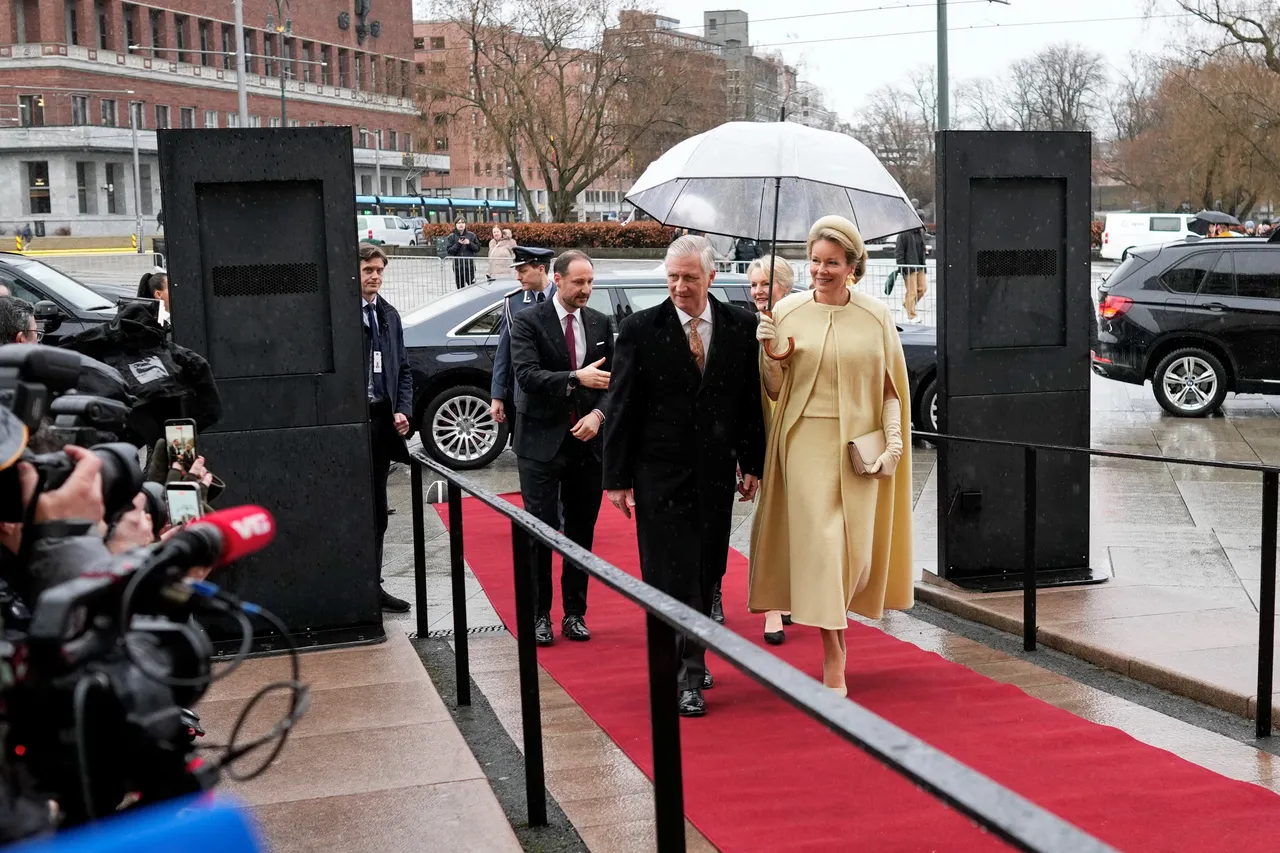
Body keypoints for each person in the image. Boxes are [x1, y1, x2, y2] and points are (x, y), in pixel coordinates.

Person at [748, 215, 914, 697]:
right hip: (805, 446)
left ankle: (836, 635)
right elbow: (775, 391)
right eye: (816, 261)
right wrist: (769, 357)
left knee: (854, 554)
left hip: (858, 451)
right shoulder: (787, 311)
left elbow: (891, 389)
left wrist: (895, 442)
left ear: (852, 266)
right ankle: (833, 656)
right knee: (822, 549)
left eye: (832, 263)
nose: (821, 270)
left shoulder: (876, 316)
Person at [603, 234, 766, 718]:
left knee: (706, 571)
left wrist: (751, 461)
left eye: (689, 278)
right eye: (672, 277)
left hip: (714, 474)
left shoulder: (741, 325)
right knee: (669, 574)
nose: (679, 287)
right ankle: (686, 674)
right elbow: (622, 405)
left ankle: (692, 652)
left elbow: (747, 402)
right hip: (658, 475)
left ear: (711, 277)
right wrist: (616, 477)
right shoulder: (639, 329)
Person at [510, 250, 612, 645]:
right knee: (540, 529)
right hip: (540, 443)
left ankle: (574, 613)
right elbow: (527, 375)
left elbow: (613, 382)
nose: (586, 289)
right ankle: (539, 614)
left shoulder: (601, 322)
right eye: (578, 283)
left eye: (590, 282)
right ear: (556, 279)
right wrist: (575, 377)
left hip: (587, 443)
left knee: (581, 532)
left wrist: (598, 417)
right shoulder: (528, 322)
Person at [358, 242, 414, 613]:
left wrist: (403, 409)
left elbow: (403, 370)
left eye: (379, 270)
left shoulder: (388, 315)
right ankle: (353, 584)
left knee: (378, 508)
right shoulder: (344, 314)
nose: (375, 276)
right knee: (352, 507)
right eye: (368, 271)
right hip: (350, 422)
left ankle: (374, 585)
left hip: (381, 420)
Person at [745, 255, 794, 644]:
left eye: (766, 284)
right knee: (769, 520)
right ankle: (771, 608)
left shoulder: (802, 320)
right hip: (762, 433)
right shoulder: (746, 326)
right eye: (754, 285)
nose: (759, 291)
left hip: (801, 432)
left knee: (799, 520)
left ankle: (791, 592)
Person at [490, 247, 556, 429]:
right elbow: (504, 350)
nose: (518, 277)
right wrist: (497, 395)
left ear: (541, 269)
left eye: (523, 271)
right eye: (518, 271)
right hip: (528, 392)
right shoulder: (514, 301)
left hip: (561, 389)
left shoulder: (564, 296)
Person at [895, 222, 928, 324]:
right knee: (912, 292)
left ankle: (907, 305)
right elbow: (899, 252)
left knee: (923, 288)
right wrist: (902, 268)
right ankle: (911, 316)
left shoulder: (920, 233)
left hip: (920, 265)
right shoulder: (903, 234)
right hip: (909, 267)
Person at [446, 219, 480, 289]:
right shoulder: (451, 236)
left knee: (473, 288)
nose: (461, 224)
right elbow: (449, 251)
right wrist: (458, 244)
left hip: (469, 267)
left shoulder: (472, 235)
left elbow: (477, 248)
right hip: (458, 267)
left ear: (465, 224)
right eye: (458, 223)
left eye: (463, 223)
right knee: (460, 289)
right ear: (455, 225)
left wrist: (469, 243)